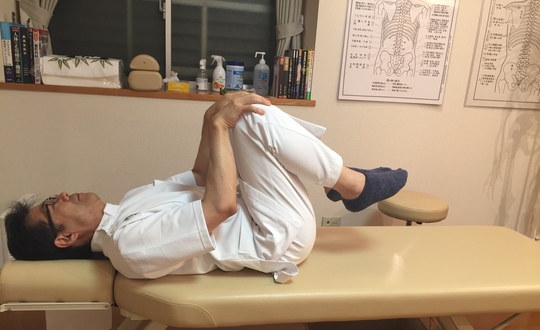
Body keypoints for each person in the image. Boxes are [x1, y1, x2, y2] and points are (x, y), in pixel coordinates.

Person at [5, 92, 407, 283]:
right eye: (51, 205)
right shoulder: (127, 246)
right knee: (250, 117)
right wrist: (219, 125)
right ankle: (353, 184)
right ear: (66, 238)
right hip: (275, 237)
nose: (62, 195)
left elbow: (200, 175)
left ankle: (348, 183)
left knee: (241, 108)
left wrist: (210, 118)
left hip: (261, 214)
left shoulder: (126, 206)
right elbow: (220, 207)